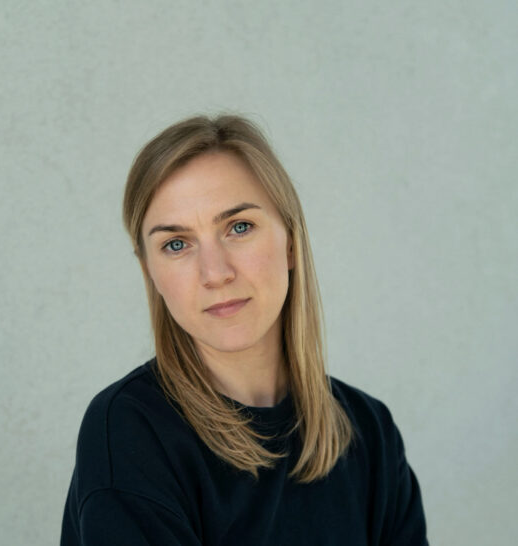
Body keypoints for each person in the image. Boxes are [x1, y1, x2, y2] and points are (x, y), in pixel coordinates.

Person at [61, 115, 428, 545]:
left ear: (290, 242)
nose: (215, 273)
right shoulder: (130, 432)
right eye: (176, 244)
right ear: (150, 272)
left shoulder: (370, 432)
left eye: (239, 227)